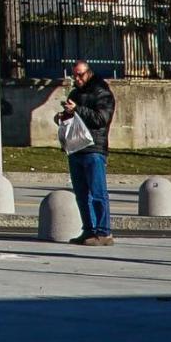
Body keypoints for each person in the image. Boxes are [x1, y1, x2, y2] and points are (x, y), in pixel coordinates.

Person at [55, 59, 117, 244]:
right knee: (82, 193)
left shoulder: (102, 93)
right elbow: (72, 117)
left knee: (98, 192)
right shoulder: (75, 93)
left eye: (80, 74)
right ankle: (89, 231)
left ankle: (104, 232)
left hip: (94, 148)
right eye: (74, 75)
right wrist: (63, 116)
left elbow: (101, 119)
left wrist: (78, 110)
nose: (77, 78)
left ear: (89, 73)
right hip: (76, 147)